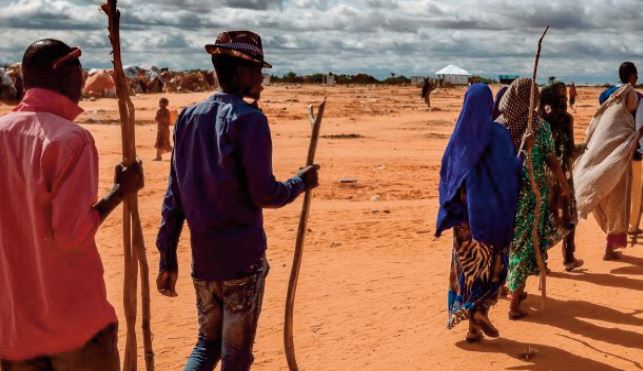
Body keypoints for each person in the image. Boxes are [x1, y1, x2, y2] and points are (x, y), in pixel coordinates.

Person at [156, 30, 319, 371]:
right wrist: (299, 183)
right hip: (242, 262)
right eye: (258, 69)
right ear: (242, 72)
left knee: (206, 345)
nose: (262, 78)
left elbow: (175, 197)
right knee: (235, 356)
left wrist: (167, 256)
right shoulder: (249, 120)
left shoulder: (187, 117)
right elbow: (265, 194)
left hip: (203, 263)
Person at [0, 39, 143, 370]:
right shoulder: (70, 140)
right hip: (73, 326)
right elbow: (71, 235)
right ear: (66, 79)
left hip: (13, 328)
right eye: (78, 75)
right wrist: (119, 192)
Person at [436, 84, 521, 343]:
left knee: (467, 269)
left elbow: (447, 176)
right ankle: (480, 312)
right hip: (491, 218)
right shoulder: (498, 134)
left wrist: (451, 206)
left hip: (463, 220)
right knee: (492, 267)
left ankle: (472, 325)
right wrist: (524, 152)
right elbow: (510, 173)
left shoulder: (458, 136)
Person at [496, 78, 571, 319]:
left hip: (504, 196)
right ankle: (514, 303)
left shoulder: (499, 127)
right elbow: (551, 158)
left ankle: (507, 287)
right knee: (524, 246)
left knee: (510, 244)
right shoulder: (538, 127)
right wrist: (562, 183)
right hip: (531, 194)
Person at [575, 62, 641, 260]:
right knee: (619, 201)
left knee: (604, 198)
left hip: (600, 157)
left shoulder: (606, 98)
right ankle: (610, 247)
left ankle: (610, 244)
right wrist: (635, 137)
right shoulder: (631, 99)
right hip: (619, 159)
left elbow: (602, 130)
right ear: (632, 76)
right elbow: (634, 127)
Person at [539, 82, 584, 271]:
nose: (564, 98)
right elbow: (570, 148)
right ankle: (569, 257)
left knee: (543, 216)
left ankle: (541, 260)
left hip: (543, 174)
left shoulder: (539, 119)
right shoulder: (566, 119)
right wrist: (583, 148)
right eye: (562, 95)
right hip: (562, 174)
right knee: (567, 214)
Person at [154, 97, 173, 161]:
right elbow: (157, 119)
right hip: (160, 130)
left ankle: (175, 154)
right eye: (159, 102)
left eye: (161, 103)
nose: (159, 104)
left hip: (165, 130)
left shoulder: (167, 111)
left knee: (165, 143)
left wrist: (159, 119)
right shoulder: (159, 111)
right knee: (159, 143)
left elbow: (166, 120)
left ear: (165, 104)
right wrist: (157, 119)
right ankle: (158, 157)